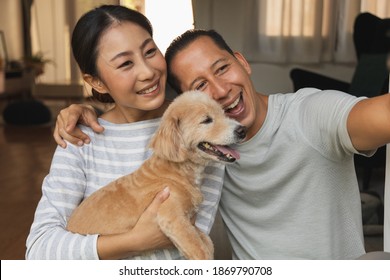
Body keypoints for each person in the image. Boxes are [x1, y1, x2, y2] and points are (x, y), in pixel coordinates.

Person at [53, 27, 390, 259]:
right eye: (200, 86)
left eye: (222, 68)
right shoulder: (203, 150)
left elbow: (378, 115)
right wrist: (86, 109)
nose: (219, 89)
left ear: (242, 62)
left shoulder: (311, 114)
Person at [25, 5, 225, 260]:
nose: (148, 71)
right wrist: (134, 241)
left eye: (150, 51)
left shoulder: (197, 130)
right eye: (125, 63)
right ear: (96, 81)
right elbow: (39, 250)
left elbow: (188, 247)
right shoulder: (79, 139)